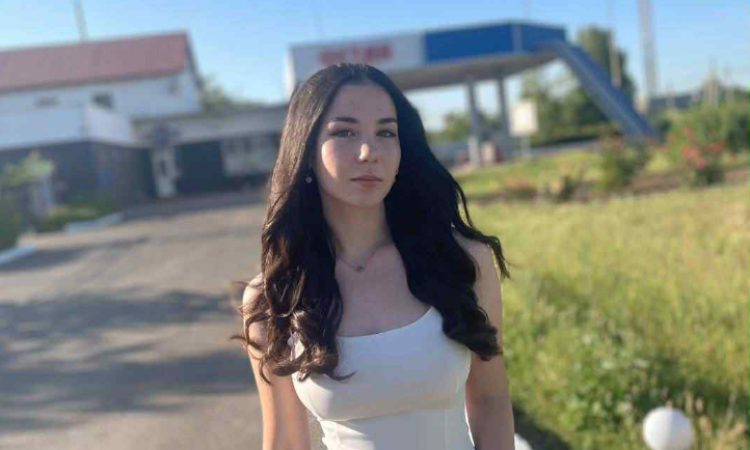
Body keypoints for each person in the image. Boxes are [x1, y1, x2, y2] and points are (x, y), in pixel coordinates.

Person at [230, 63, 515, 450]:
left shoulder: (461, 261)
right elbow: (285, 442)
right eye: (344, 132)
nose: (368, 152)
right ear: (306, 150)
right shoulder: (274, 296)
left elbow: (491, 402)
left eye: (385, 132)